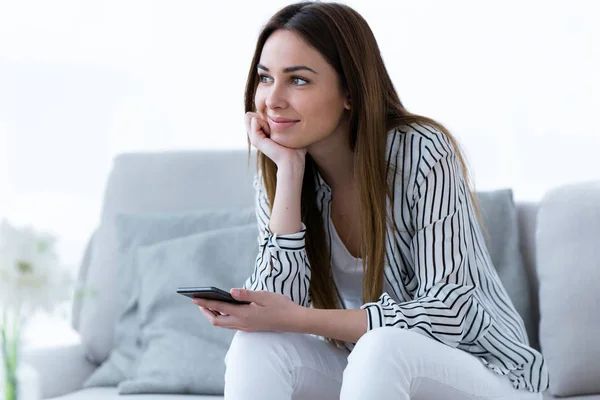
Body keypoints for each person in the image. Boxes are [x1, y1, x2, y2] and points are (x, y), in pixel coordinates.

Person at [192, 2, 549, 399]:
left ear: (350, 91)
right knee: (257, 345)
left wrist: (303, 318)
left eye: (298, 81)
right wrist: (289, 174)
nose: (272, 100)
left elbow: (452, 311)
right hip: (375, 373)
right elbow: (277, 310)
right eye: (264, 77)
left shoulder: (421, 151)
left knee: (382, 345)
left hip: (489, 375)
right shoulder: (279, 169)